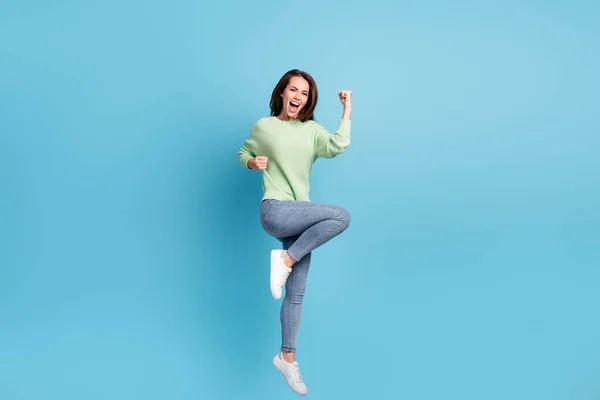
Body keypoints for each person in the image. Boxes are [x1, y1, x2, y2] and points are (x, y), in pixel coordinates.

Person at [238, 69, 352, 396]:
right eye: (293, 90)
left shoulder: (312, 131)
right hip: (275, 209)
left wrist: (346, 109)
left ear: (307, 101)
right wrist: (251, 163)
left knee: (296, 293)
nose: (298, 96)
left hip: (299, 215)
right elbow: (244, 151)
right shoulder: (265, 126)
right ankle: (285, 259)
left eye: (304, 93)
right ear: (283, 93)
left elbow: (338, 144)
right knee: (340, 216)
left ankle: (287, 356)